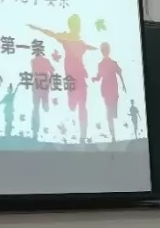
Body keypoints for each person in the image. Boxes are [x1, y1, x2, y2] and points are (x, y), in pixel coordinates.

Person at [29, 15, 96, 143]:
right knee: (72, 105)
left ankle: (83, 137)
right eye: (76, 24)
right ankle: (72, 105)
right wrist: (37, 28)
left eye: (79, 24)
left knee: (82, 105)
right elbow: (51, 33)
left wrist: (95, 48)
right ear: (72, 26)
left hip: (80, 76)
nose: (78, 27)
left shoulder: (81, 42)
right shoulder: (66, 38)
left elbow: (88, 47)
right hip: (71, 78)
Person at [92, 42, 126, 141]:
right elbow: (99, 77)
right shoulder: (101, 64)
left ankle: (113, 133)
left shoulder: (112, 63)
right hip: (107, 91)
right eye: (103, 50)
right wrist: (94, 79)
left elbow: (119, 73)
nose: (104, 52)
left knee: (112, 113)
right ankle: (113, 134)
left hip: (112, 90)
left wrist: (123, 85)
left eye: (105, 50)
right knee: (109, 113)